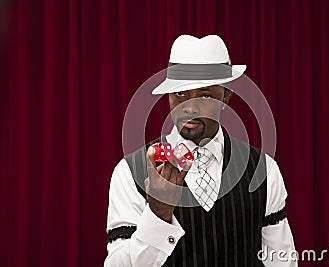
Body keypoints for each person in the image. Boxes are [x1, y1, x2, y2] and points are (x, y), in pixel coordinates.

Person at [104, 34, 297, 266]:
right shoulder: (130, 171)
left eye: (205, 95)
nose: (189, 107)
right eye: (180, 94)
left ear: (226, 97)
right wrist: (158, 214)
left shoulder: (263, 170)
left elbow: (282, 261)